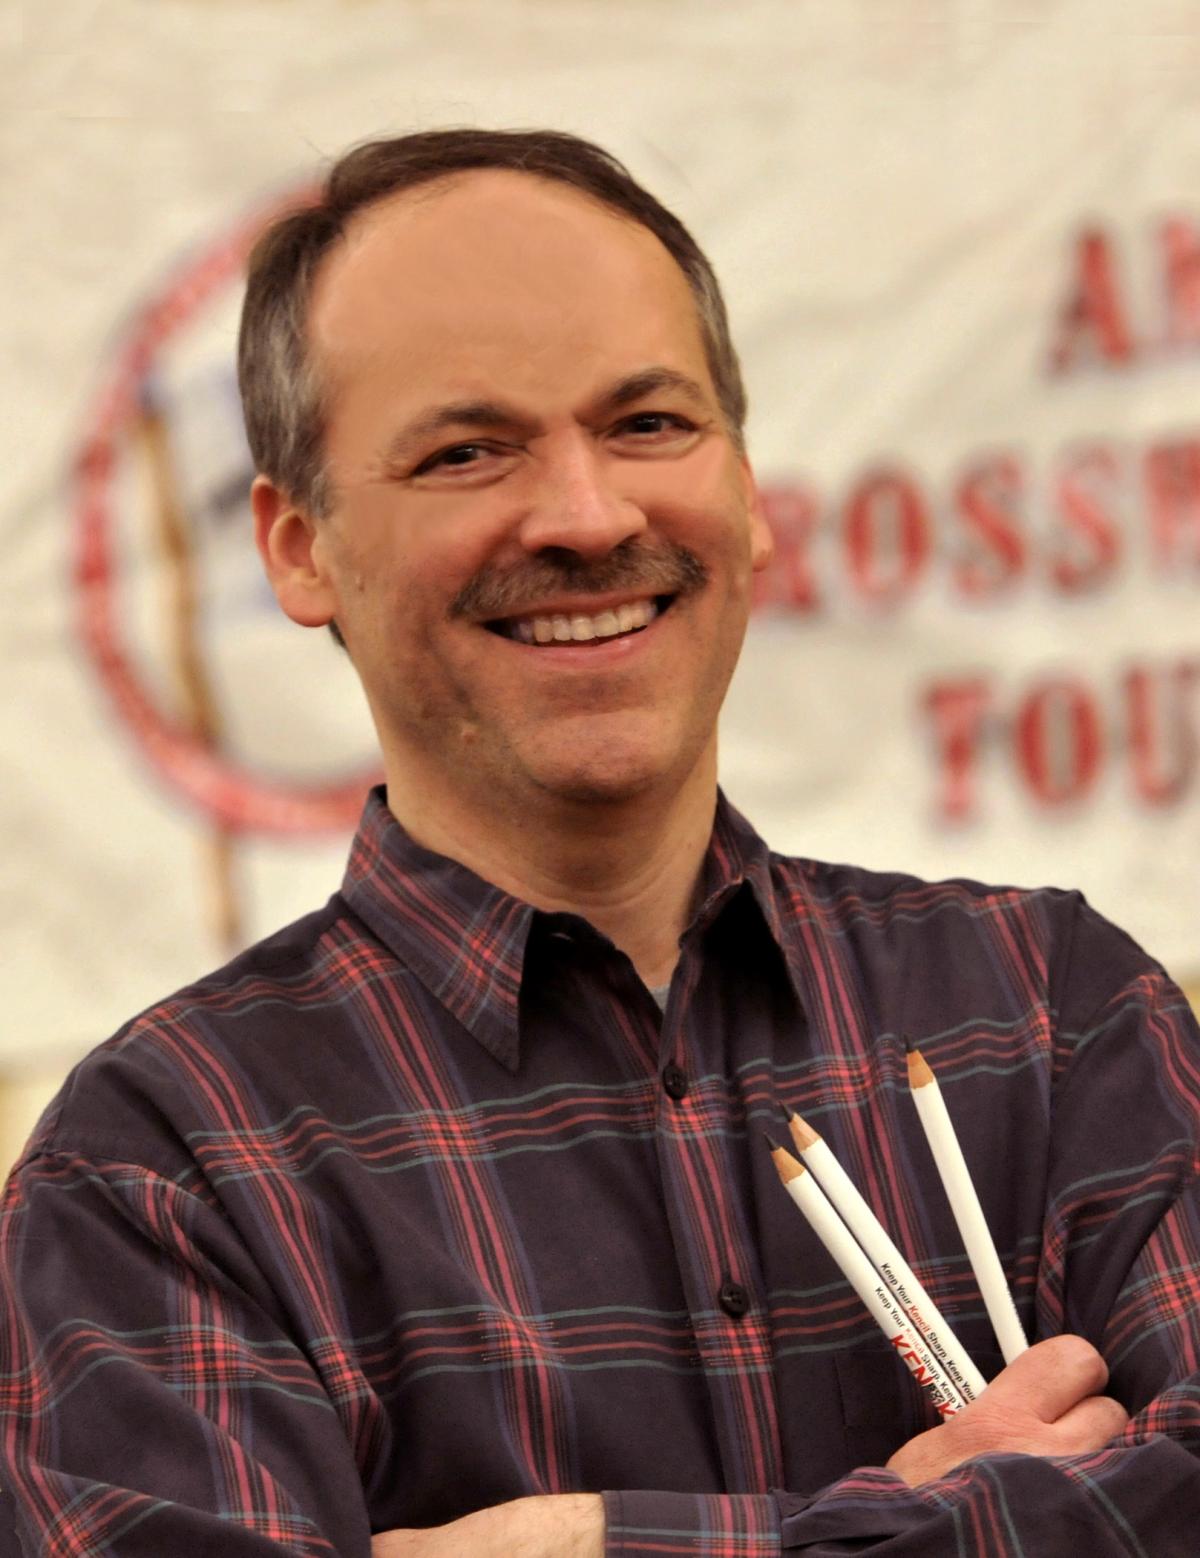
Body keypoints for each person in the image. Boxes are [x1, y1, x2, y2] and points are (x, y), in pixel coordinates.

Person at [1, 127, 1198, 1558]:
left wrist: (566, 1543)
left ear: (750, 493)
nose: (586, 514)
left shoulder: (1052, 1009)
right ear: (298, 547)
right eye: (468, 449)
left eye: (647, 424)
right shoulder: (163, 1169)